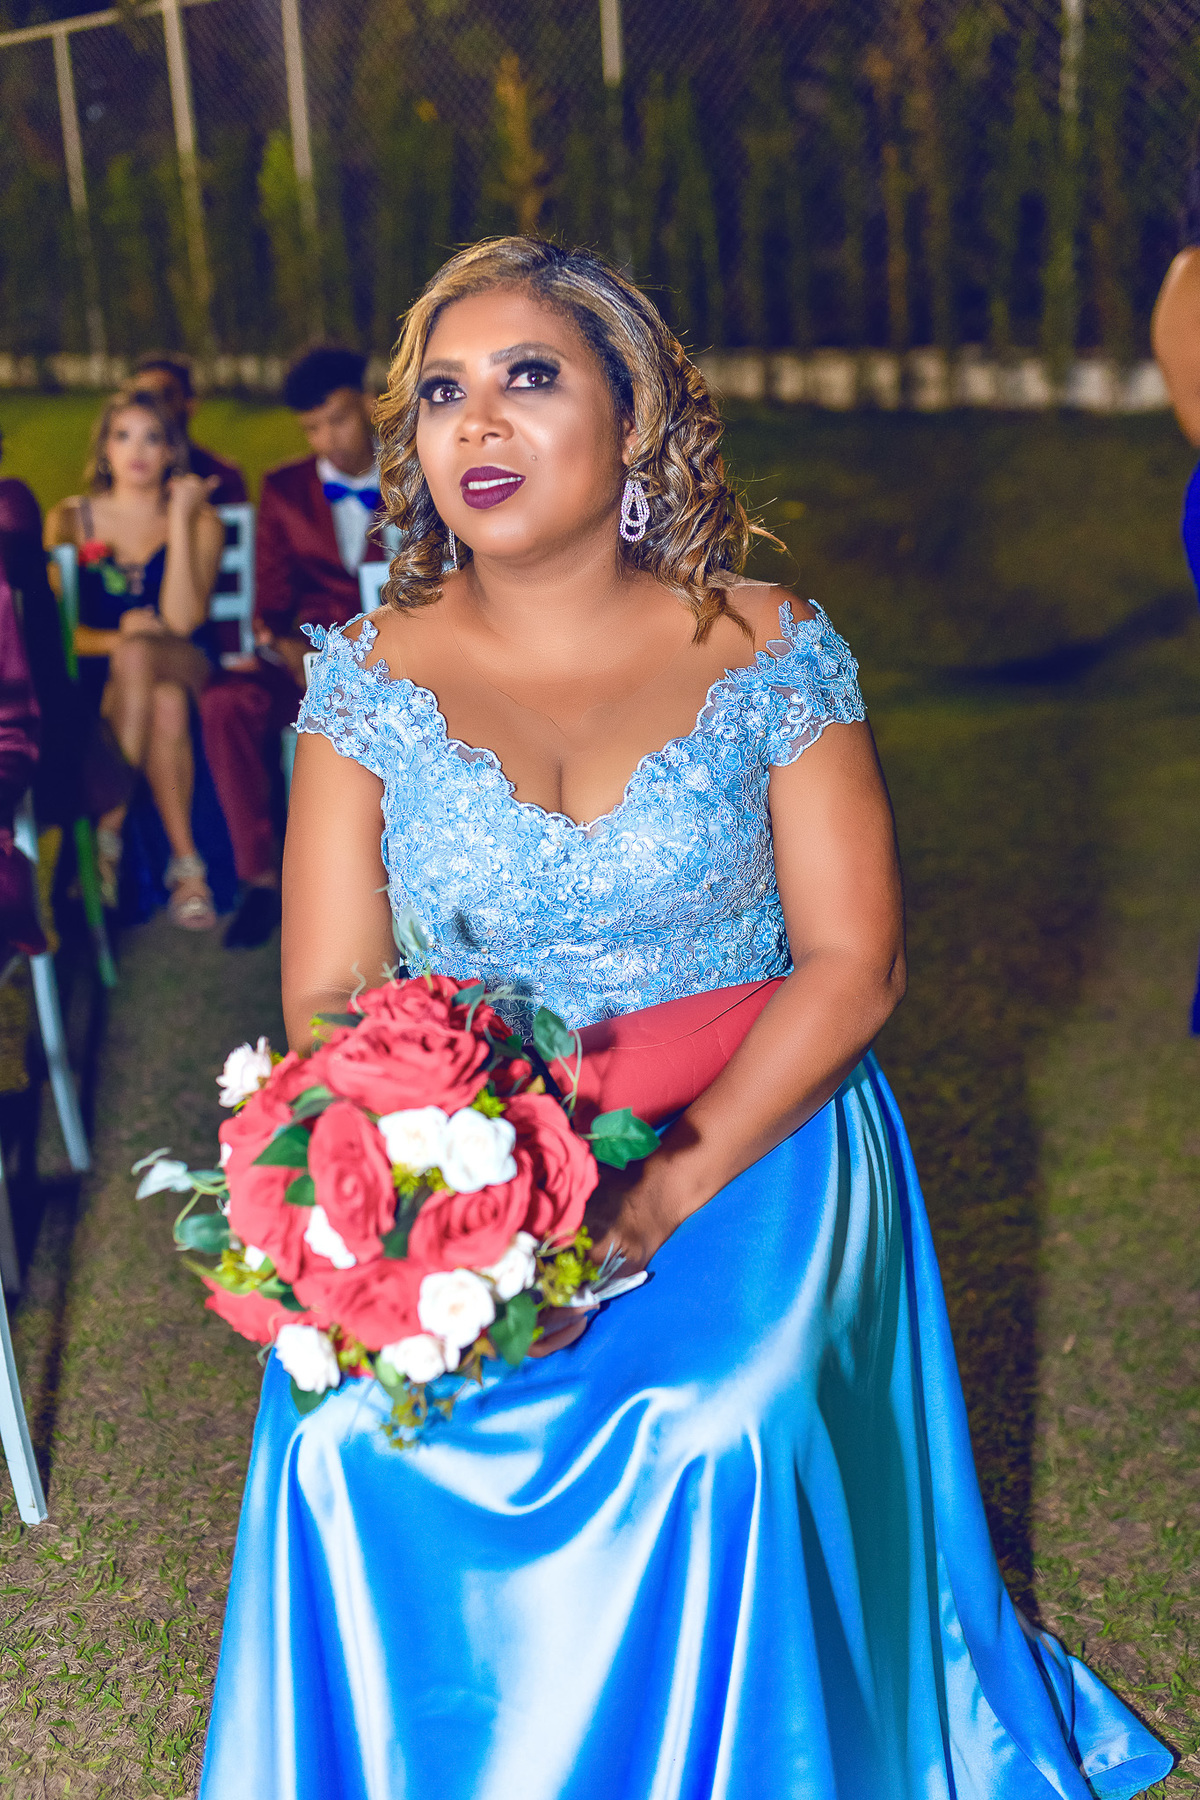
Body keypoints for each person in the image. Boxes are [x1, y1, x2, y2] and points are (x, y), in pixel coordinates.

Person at [200, 240, 1171, 1799]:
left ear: (634, 414)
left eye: (529, 378)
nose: (476, 424)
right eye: (443, 392)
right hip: (470, 1151)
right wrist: (431, 1194)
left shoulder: (770, 646)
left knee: (714, 1425)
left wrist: (659, 1190)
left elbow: (853, 964)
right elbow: (328, 998)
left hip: (755, 1129)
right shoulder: (365, 685)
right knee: (346, 1440)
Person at [199, 344, 396, 951]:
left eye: (336, 420)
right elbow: (271, 601)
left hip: (400, 659)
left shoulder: (415, 469)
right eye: (311, 428)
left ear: (367, 405)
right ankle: (260, 878)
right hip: (306, 661)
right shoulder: (284, 488)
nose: (326, 440)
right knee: (226, 704)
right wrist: (287, 650)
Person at [46, 388, 224, 929]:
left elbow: (183, 621)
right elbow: (60, 634)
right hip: (107, 673)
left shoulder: (201, 521)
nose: (137, 451)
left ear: (171, 451)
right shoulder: (70, 520)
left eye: (153, 438)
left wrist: (181, 516)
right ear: (104, 448)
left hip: (187, 660)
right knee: (161, 699)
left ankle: (108, 834)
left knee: (147, 659)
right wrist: (117, 637)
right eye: (123, 436)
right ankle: (186, 865)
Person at [131, 354, 248, 505]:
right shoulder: (117, 474)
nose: (153, 407)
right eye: (142, 398)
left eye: (166, 396)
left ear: (191, 404)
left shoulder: (222, 477)